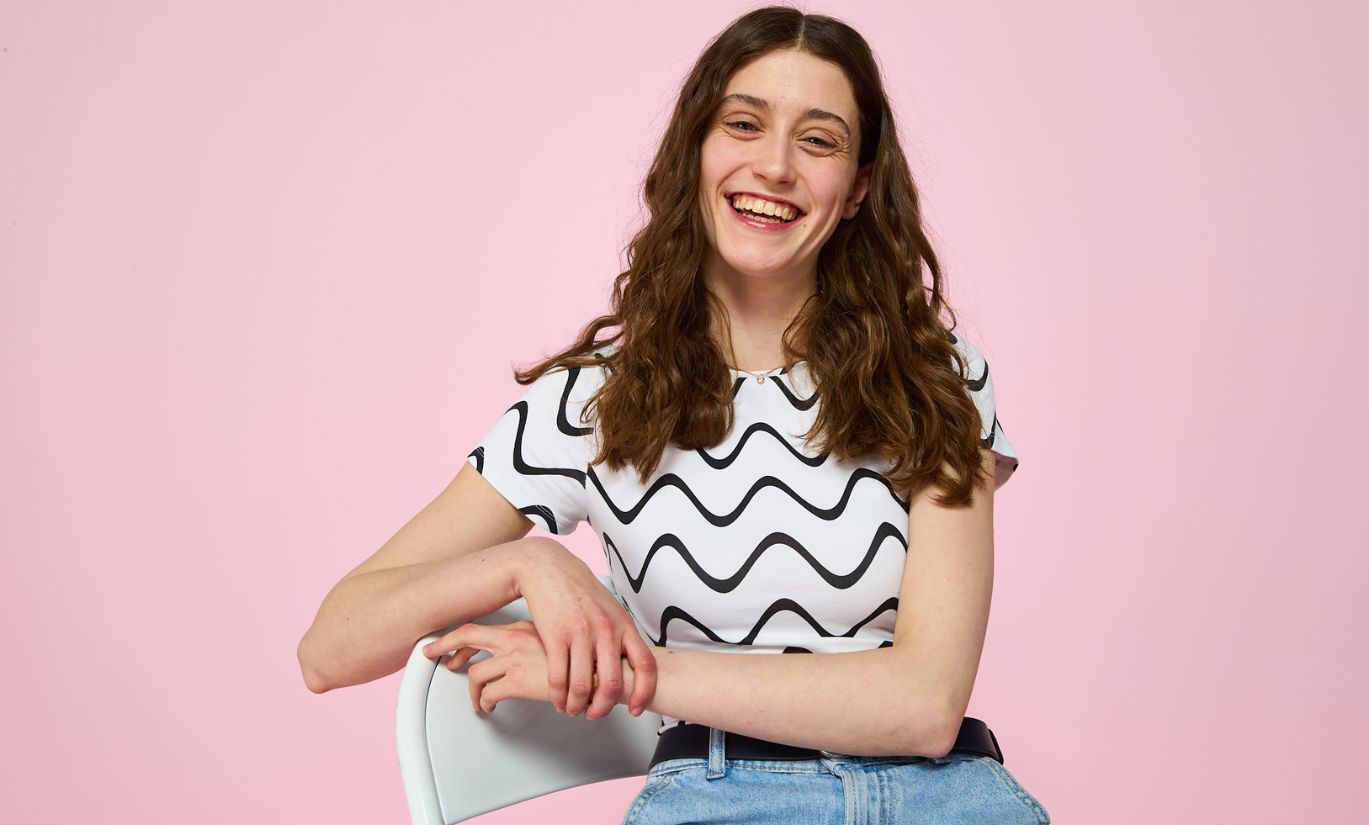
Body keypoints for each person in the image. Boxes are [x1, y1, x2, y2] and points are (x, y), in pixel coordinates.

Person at [298, 5, 1047, 823]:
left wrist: (630, 669)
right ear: (697, 148)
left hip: (948, 797)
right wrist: (528, 566)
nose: (775, 165)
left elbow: (925, 703)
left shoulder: (935, 380)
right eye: (744, 123)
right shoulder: (592, 402)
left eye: (819, 139)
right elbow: (330, 646)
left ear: (860, 186)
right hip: (715, 796)